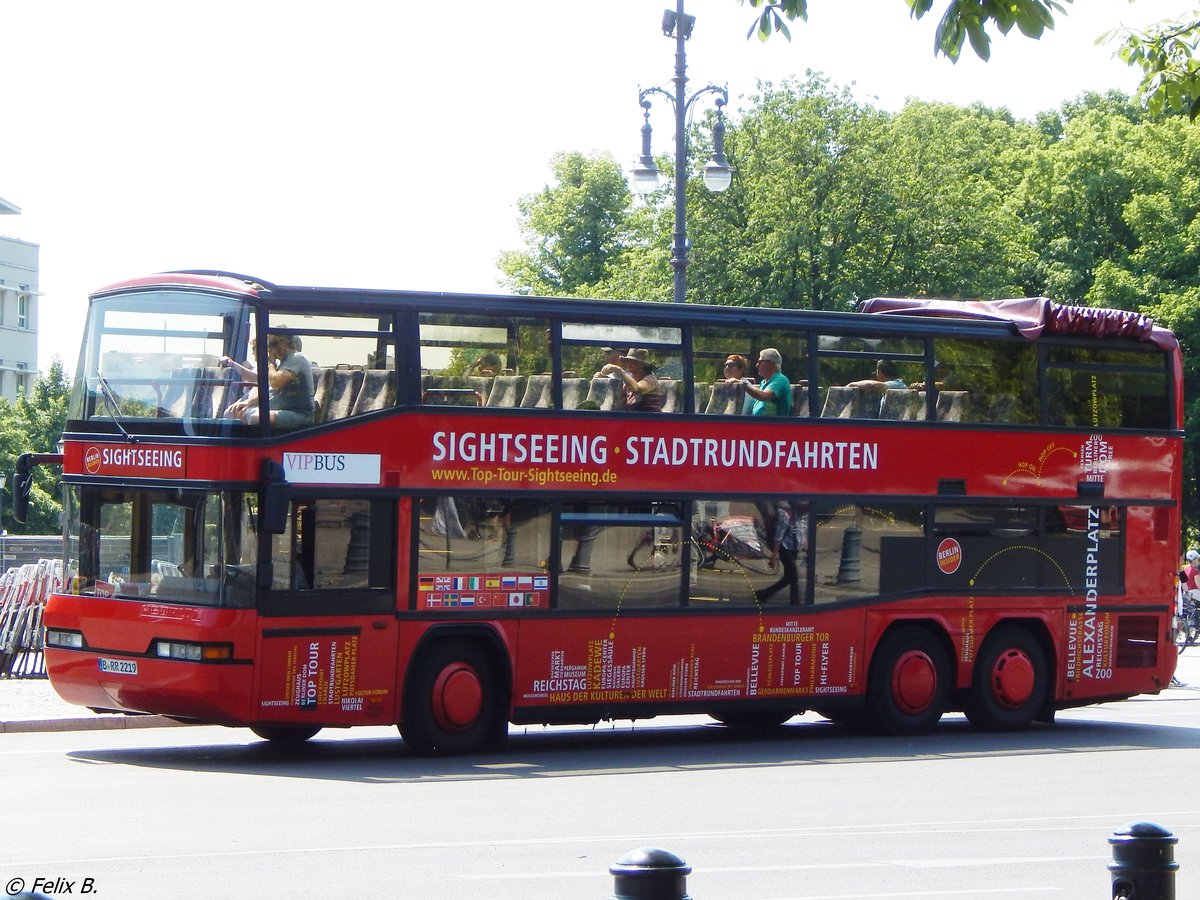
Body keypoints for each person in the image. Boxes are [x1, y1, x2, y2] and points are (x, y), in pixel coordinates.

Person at [224, 333, 314, 429]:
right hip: (275, 408)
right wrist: (248, 402)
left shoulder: (297, 358)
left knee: (257, 418)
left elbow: (275, 383)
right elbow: (269, 390)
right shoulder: (281, 363)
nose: (269, 350)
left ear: (282, 345)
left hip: (297, 413)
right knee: (230, 413)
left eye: (270, 346)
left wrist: (270, 362)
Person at [757, 501, 807, 606]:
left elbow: (800, 533)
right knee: (794, 577)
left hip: (793, 549)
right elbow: (778, 535)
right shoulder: (785, 514)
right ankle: (795, 603)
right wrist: (775, 554)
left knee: (788, 578)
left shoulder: (799, 516)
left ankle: (763, 594)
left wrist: (805, 547)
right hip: (784, 548)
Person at [744, 348, 791, 416]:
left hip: (774, 425)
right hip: (758, 424)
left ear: (771, 363)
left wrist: (743, 383)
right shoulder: (764, 382)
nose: (757, 365)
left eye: (760, 362)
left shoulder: (780, 379)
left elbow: (763, 396)